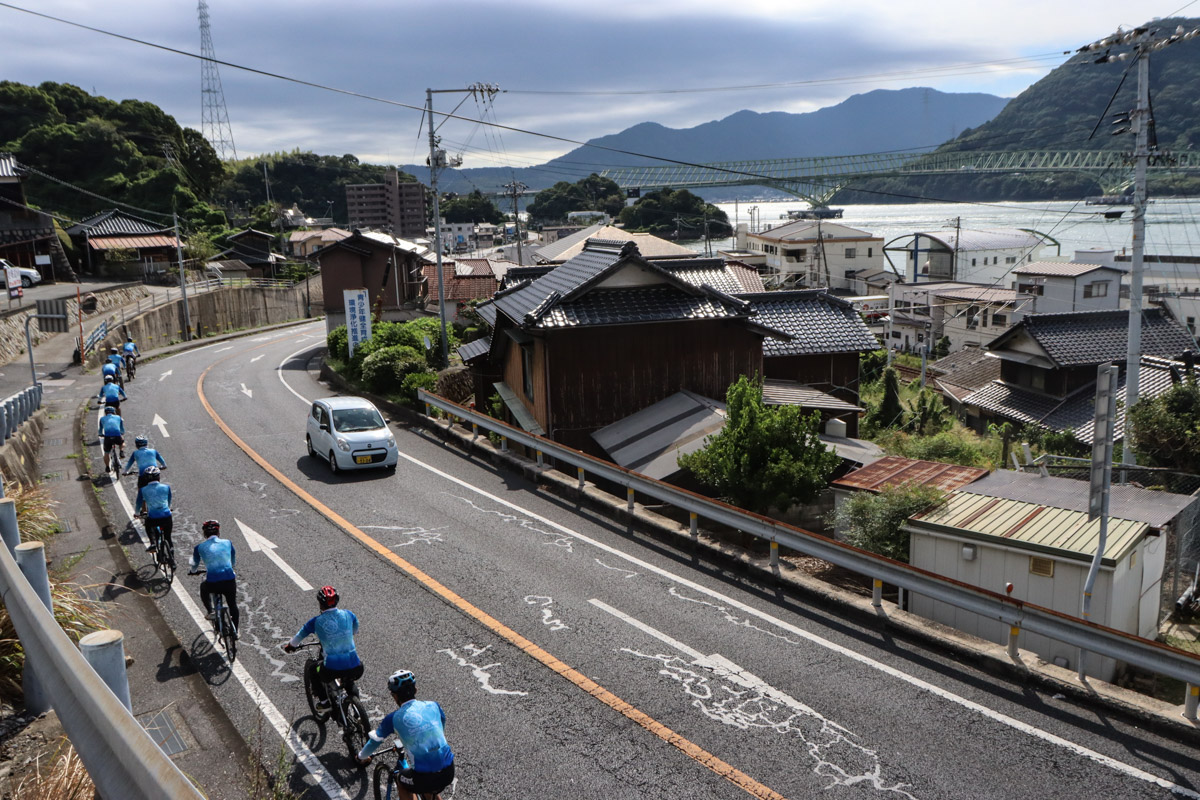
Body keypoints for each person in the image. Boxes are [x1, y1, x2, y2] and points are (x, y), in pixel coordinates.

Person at [357, 670, 455, 798]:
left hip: (424, 777)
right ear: (416, 689)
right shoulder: (433, 705)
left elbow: (375, 741)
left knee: (402, 782)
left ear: (395, 696)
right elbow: (441, 724)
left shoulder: (393, 718)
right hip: (449, 771)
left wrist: (361, 756)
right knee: (429, 788)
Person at [282, 586, 362, 709]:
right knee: (349, 681)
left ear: (320, 603)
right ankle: (357, 711)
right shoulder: (349, 614)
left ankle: (324, 703)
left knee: (314, 670)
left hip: (330, 669)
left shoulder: (316, 621)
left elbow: (300, 635)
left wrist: (290, 646)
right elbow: (355, 630)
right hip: (357, 666)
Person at [188, 520, 239, 637]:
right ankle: (235, 631)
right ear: (218, 531)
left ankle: (210, 611)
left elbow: (194, 564)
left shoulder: (199, 547)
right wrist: (231, 567)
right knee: (233, 605)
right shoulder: (228, 542)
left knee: (203, 587)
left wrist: (193, 571)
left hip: (213, 583)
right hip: (229, 580)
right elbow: (233, 559)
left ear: (205, 533)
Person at [135, 466, 173, 561]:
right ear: (158, 477)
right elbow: (168, 501)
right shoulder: (166, 487)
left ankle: (153, 543)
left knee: (148, 525)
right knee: (168, 537)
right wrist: (168, 507)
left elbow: (138, 503)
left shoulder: (143, 490)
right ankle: (172, 561)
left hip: (153, 517)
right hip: (167, 516)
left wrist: (136, 513)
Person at [97, 405, 125, 471]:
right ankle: (121, 451)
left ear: (105, 413)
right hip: (117, 436)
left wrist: (101, 434)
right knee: (122, 441)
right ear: (114, 412)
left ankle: (107, 467)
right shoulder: (118, 417)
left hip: (107, 437)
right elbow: (122, 429)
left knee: (106, 452)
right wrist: (122, 433)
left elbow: (100, 430)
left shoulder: (102, 419)